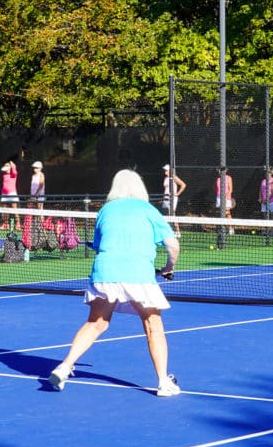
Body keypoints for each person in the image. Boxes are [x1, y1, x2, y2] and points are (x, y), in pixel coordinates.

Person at [48, 169, 181, 397]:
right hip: (138, 274)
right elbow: (173, 245)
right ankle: (163, 382)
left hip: (104, 273)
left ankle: (65, 366)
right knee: (153, 326)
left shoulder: (105, 211)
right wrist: (169, 267)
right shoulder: (149, 210)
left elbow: (99, 245)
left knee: (96, 323)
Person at [0, 159, 20, 232]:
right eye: (6, 169)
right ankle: (5, 224)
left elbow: (14, 171)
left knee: (14, 209)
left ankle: (18, 224)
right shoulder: (4, 175)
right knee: (5, 210)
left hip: (12, 193)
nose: (6, 170)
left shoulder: (13, 174)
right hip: (4, 195)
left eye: (8, 169)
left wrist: (12, 164)